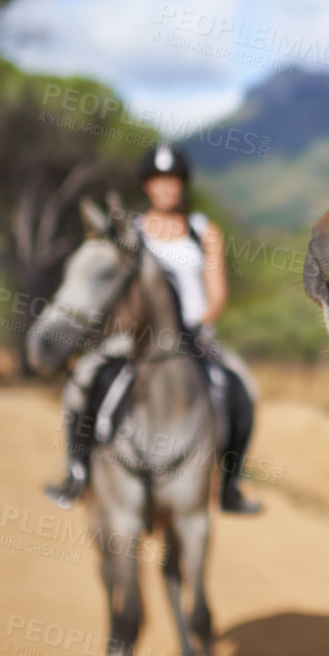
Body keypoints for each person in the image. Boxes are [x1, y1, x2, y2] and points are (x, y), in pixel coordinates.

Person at [43, 142, 263, 516]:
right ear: (147, 186)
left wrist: (197, 324)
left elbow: (217, 294)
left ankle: (230, 485)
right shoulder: (132, 233)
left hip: (194, 335)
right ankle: (76, 472)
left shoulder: (204, 232)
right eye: (158, 181)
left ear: (183, 185)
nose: (166, 188)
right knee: (81, 382)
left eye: (173, 181)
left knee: (244, 388)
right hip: (135, 338)